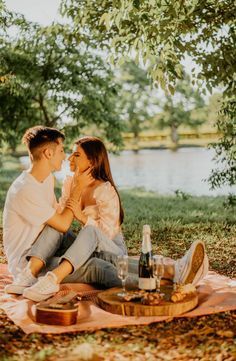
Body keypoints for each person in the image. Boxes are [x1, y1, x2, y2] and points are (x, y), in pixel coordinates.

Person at [4, 127, 208, 302]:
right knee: (97, 262)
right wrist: (76, 191)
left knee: (91, 240)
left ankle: (171, 271)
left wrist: (81, 216)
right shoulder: (27, 188)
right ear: (48, 153)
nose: (66, 156)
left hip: (98, 245)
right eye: (63, 150)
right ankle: (161, 280)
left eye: (74, 154)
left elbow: (90, 229)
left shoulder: (48, 180)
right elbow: (62, 223)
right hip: (29, 259)